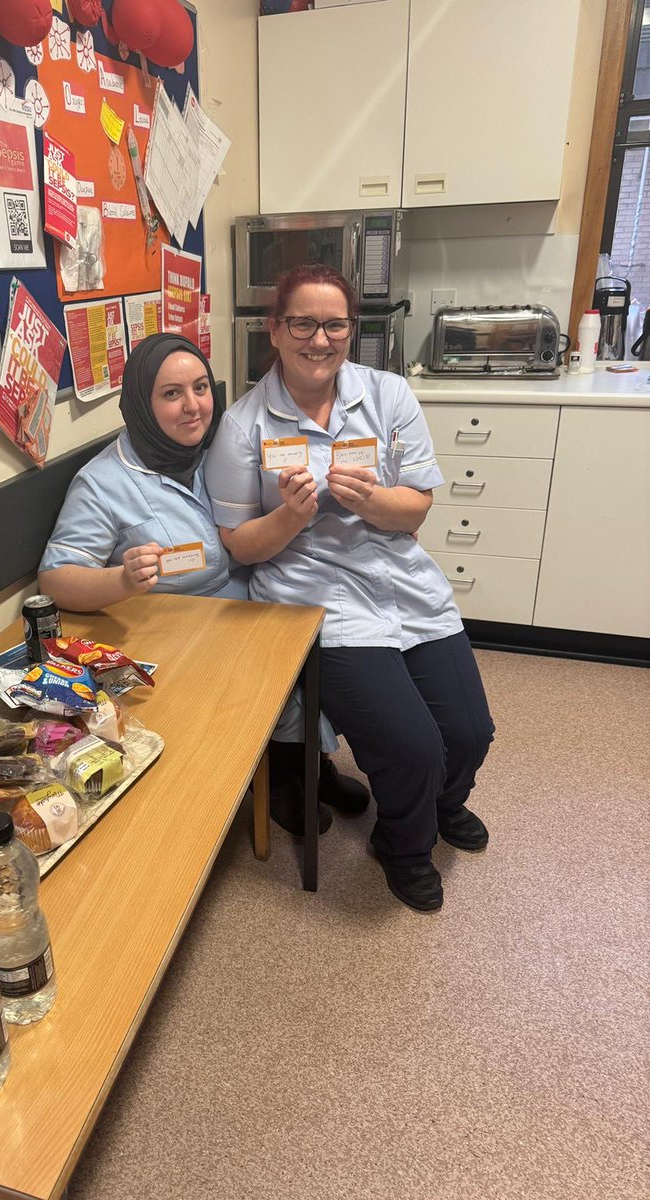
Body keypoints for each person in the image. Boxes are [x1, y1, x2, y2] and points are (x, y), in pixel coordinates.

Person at [204, 264, 495, 912]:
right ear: (275, 330)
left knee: (471, 731)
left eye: (334, 324)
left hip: (401, 582)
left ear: (350, 330)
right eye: (302, 323)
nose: (319, 338)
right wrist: (290, 517)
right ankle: (404, 845)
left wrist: (370, 501)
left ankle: (446, 804)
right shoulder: (243, 425)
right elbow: (238, 543)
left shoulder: (389, 397)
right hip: (318, 597)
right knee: (411, 745)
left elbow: (415, 508)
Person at [38, 332, 368, 826]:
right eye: (171, 394)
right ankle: (281, 781)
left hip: (253, 594)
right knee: (268, 685)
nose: (193, 407)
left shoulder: (225, 443)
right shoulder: (104, 481)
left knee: (325, 653)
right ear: (141, 404)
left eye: (200, 387)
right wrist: (121, 581)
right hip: (181, 627)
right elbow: (55, 579)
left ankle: (313, 767)